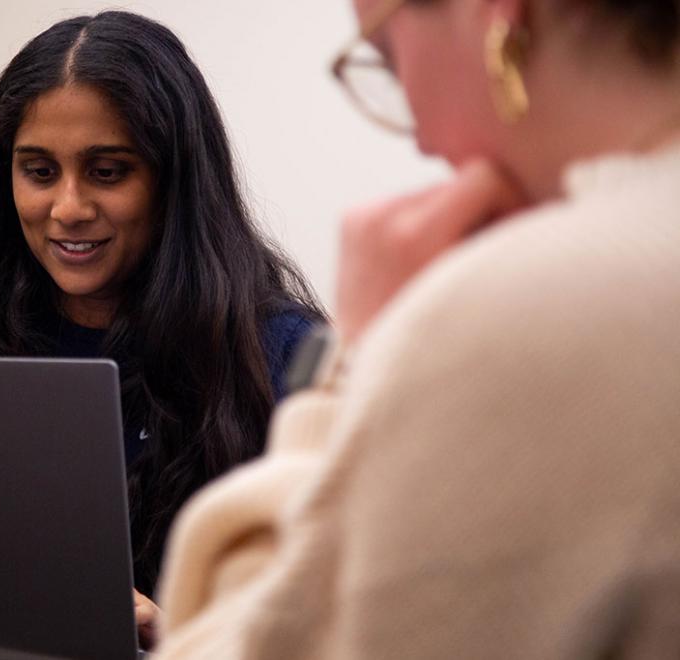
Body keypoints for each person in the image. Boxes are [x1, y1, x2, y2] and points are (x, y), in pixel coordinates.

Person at [157, 0, 680, 657]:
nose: (424, 141)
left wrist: (350, 363)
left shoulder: (517, 315)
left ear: (500, 16)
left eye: (387, 56)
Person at [0, 10, 326, 646]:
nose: (68, 208)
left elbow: (334, 614)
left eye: (108, 172)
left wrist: (172, 637)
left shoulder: (277, 356)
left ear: (173, 181)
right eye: (38, 172)